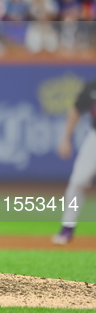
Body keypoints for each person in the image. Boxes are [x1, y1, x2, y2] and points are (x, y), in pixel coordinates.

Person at [52, 78, 96, 244]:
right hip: (94, 138)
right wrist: (65, 139)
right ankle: (67, 228)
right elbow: (76, 111)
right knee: (78, 181)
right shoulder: (92, 87)